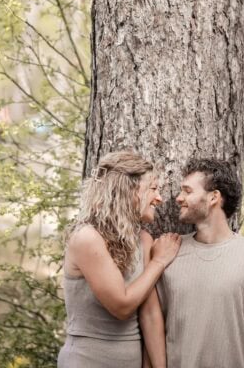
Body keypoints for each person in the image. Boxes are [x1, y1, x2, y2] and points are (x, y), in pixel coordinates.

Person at [154, 158, 244, 368]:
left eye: (187, 191)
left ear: (214, 196)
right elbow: (152, 327)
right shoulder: (169, 251)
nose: (178, 198)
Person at [58, 151, 181, 368]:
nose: (159, 198)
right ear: (129, 190)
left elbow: (150, 314)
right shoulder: (87, 238)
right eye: (153, 188)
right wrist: (159, 262)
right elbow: (122, 306)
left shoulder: (142, 239)